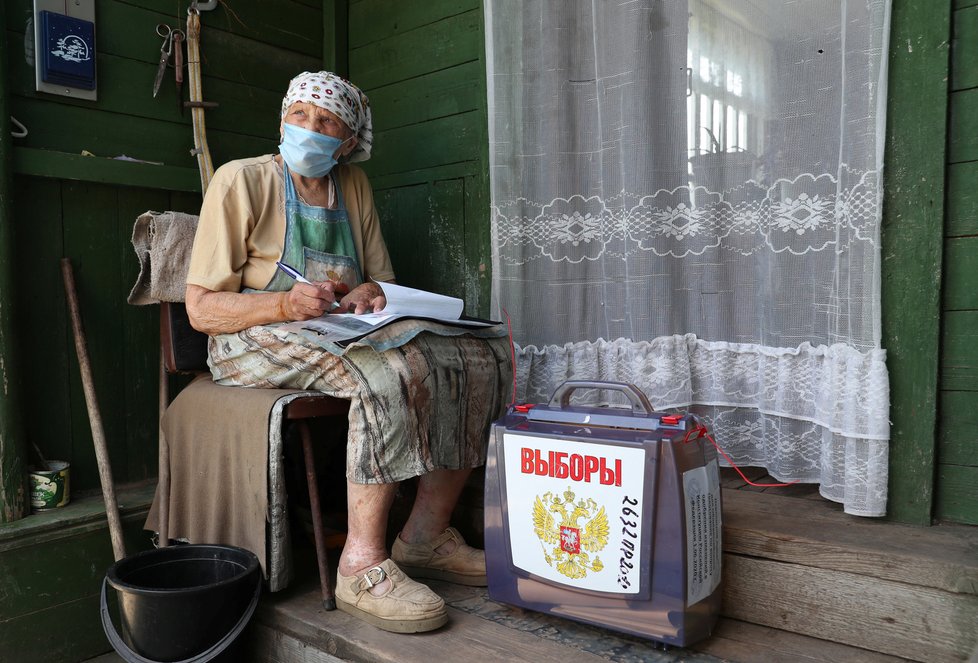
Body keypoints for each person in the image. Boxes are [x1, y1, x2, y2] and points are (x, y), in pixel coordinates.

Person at [184, 71, 511, 633]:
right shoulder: (240, 180)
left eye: (327, 120)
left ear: (348, 138)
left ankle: (425, 537)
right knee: (386, 374)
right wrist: (284, 305)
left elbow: (378, 282)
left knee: (480, 360)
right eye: (300, 115)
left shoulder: (352, 185)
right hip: (248, 339)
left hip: (334, 332)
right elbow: (202, 308)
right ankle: (361, 565)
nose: (311, 128)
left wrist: (365, 290)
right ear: (282, 118)